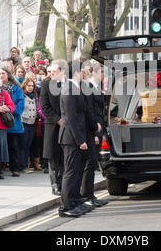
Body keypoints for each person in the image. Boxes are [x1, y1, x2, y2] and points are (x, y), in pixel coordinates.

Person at [58, 60, 94, 218]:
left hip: (76, 136)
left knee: (77, 171)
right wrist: (80, 140)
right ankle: (65, 206)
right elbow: (71, 117)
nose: (86, 73)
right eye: (84, 71)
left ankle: (74, 201)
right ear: (77, 72)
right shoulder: (69, 88)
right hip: (70, 137)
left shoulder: (75, 87)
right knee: (70, 172)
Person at [80, 62, 106, 207]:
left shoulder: (97, 87)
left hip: (97, 129)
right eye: (102, 72)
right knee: (89, 164)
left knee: (93, 163)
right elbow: (89, 112)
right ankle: (86, 195)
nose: (103, 75)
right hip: (93, 131)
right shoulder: (88, 87)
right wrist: (95, 133)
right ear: (94, 73)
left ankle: (91, 194)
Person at [40, 60, 66, 196]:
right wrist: (58, 120)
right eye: (50, 72)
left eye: (53, 72)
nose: (51, 74)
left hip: (67, 125)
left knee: (64, 156)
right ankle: (55, 185)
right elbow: (44, 107)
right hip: (53, 125)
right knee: (53, 157)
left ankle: (64, 184)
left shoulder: (68, 84)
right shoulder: (46, 84)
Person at [0, 67, 25, 177]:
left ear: (8, 75)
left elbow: (20, 104)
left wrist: (10, 112)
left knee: (14, 147)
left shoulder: (16, 88)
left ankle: (15, 168)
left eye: (3, 73)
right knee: (0, 146)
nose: (1, 75)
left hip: (13, 122)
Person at [20, 78, 37, 174]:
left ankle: (25, 165)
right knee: (23, 145)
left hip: (32, 123)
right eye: (28, 86)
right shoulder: (22, 96)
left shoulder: (35, 96)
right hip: (24, 123)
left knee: (28, 146)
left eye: (32, 86)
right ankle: (23, 166)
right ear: (25, 86)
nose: (30, 88)